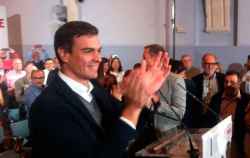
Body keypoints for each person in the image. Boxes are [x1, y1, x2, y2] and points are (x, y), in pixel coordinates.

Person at [29, 21, 170, 158]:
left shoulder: (95, 89)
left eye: (99, 51)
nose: (98, 58)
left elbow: (127, 129)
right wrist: (132, 108)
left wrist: (145, 95)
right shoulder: (47, 107)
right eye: (88, 51)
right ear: (64, 54)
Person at [143, 44, 186, 132]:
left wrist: (158, 104)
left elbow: (179, 113)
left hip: (166, 133)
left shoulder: (175, 80)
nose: (142, 61)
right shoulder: (143, 79)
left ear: (157, 58)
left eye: (144, 58)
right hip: (144, 132)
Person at [191, 53, 224, 128]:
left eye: (212, 64)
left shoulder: (223, 79)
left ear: (216, 65)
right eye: (207, 64)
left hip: (218, 118)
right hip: (200, 119)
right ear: (202, 65)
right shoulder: (194, 80)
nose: (210, 66)